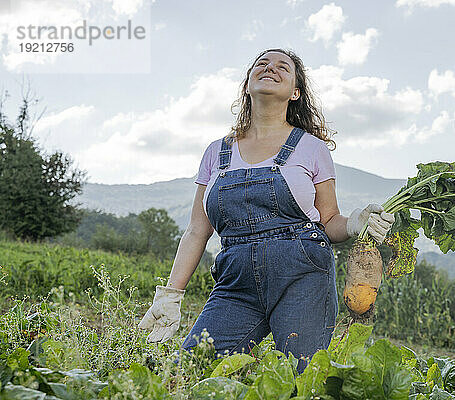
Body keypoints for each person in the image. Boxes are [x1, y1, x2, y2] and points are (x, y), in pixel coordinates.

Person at [138, 48, 395, 373]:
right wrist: (170, 294)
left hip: (303, 277)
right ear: (247, 85)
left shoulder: (310, 148)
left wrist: (356, 222)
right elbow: (196, 231)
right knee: (187, 371)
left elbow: (329, 221)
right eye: (262, 64)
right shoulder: (216, 153)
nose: (270, 68)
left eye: (282, 67)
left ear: (295, 91)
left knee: (301, 381)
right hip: (236, 283)